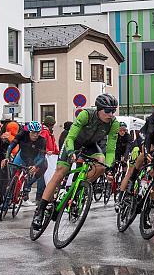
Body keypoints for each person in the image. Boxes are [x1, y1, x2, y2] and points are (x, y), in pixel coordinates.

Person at [33, 94, 120, 229]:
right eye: (107, 111)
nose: (111, 114)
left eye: (113, 111)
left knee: (101, 164)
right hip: (73, 143)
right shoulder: (86, 115)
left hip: (90, 145)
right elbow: (70, 137)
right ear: (99, 109)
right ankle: (40, 210)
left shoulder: (114, 123)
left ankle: (77, 188)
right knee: (60, 173)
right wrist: (71, 152)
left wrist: (109, 166)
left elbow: (110, 150)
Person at [6, 121, 47, 207]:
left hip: (34, 159)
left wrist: (35, 166)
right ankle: (9, 195)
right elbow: (11, 145)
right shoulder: (22, 134)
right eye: (33, 132)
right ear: (29, 131)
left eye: (37, 133)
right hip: (22, 156)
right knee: (13, 173)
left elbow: (42, 157)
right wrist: (7, 157)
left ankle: (28, 186)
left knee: (44, 165)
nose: (35, 135)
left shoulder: (42, 140)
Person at [38, 116, 59, 203]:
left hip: (50, 155)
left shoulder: (49, 132)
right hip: (45, 156)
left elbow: (53, 144)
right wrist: (46, 151)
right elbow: (41, 143)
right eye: (52, 125)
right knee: (44, 175)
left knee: (46, 175)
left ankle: (44, 195)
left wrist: (57, 152)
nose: (53, 127)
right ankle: (41, 196)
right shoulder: (44, 132)